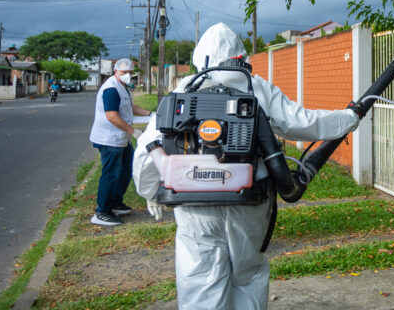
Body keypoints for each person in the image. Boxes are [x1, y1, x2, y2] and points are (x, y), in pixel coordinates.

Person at [133, 23, 360, 310]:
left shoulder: (184, 88)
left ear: (200, 57)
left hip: (194, 204)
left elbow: (147, 148)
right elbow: (302, 121)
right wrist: (348, 118)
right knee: (249, 277)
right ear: (240, 56)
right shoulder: (257, 88)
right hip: (249, 200)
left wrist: (150, 191)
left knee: (200, 283)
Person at [89, 58, 152, 226]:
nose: (127, 75)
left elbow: (130, 106)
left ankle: (116, 202)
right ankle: (102, 211)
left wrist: (151, 114)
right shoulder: (111, 89)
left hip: (121, 139)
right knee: (111, 174)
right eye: (124, 72)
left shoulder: (122, 88)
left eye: (130, 72)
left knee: (125, 170)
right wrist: (134, 132)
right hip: (109, 139)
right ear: (116, 71)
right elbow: (112, 116)